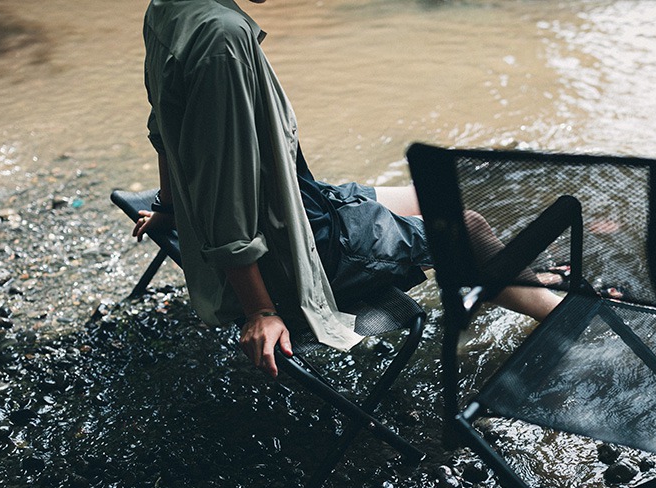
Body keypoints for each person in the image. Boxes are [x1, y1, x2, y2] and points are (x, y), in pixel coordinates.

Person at [134, 0, 559, 378]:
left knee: (438, 197)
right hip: (300, 250)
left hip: (303, 205)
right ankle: (568, 320)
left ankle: (519, 281)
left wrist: (168, 209)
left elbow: (164, 130)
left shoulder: (169, 8)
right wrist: (259, 310)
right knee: (468, 229)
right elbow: (227, 194)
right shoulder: (222, 35)